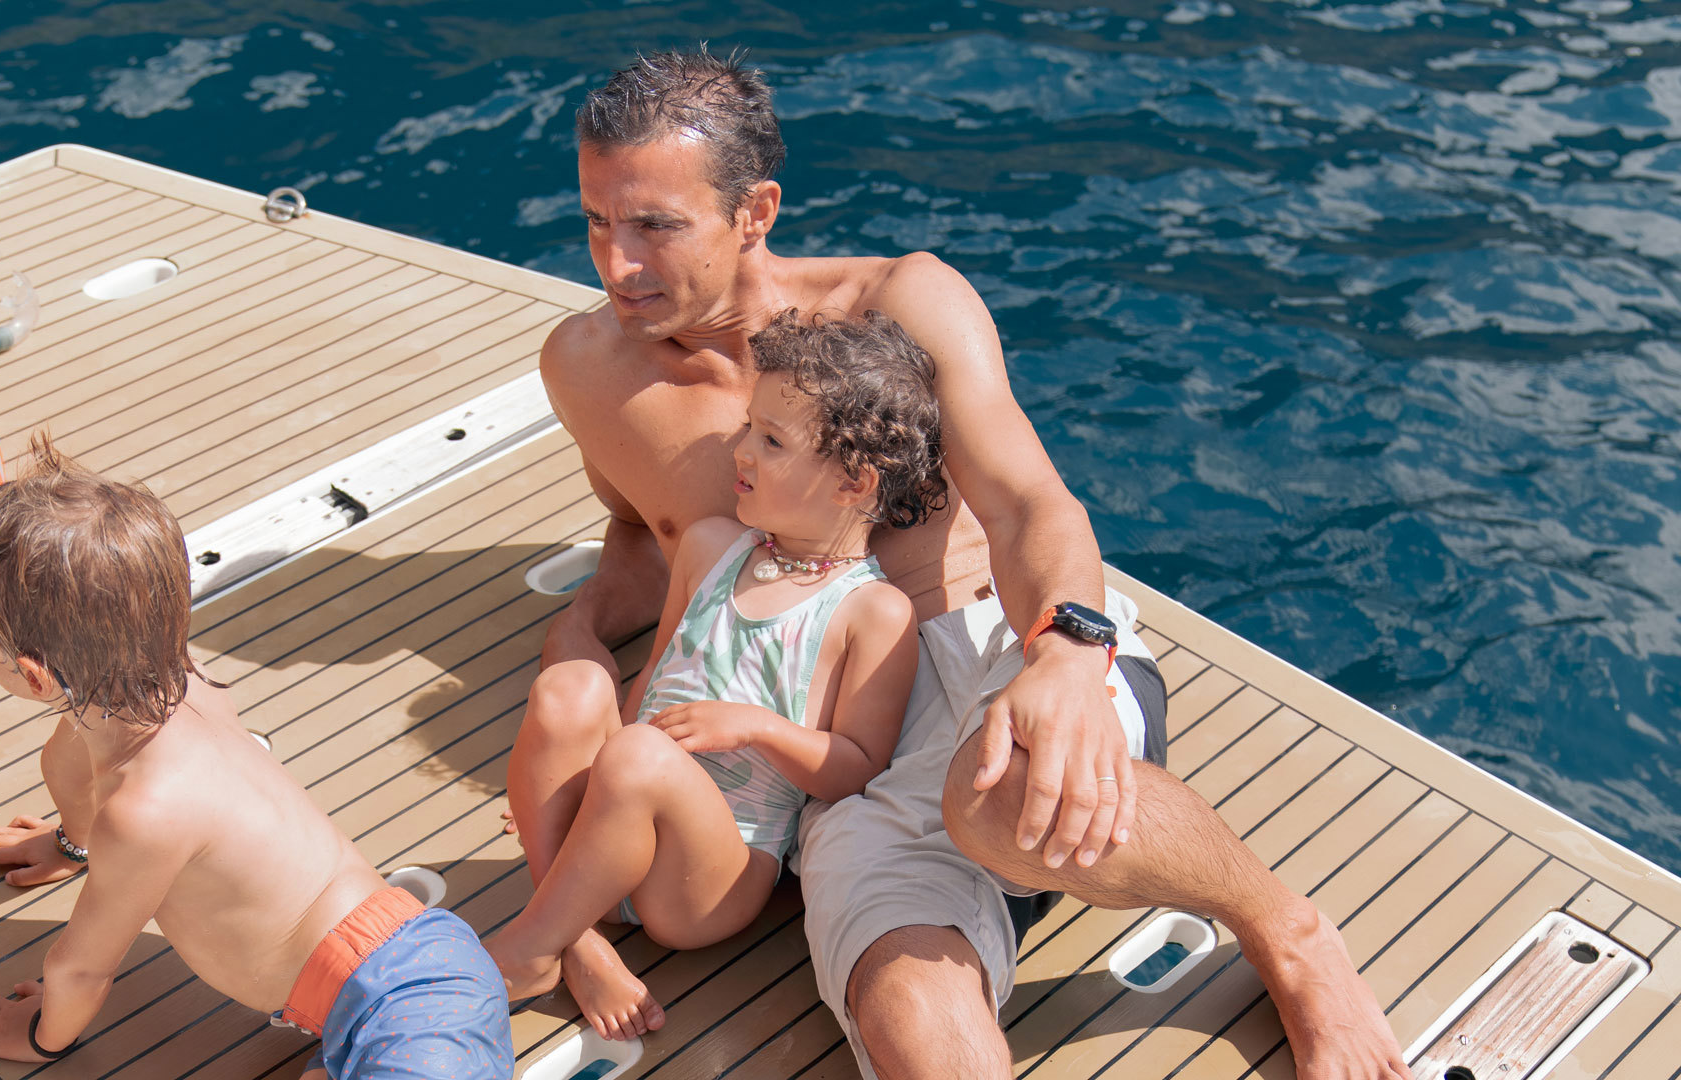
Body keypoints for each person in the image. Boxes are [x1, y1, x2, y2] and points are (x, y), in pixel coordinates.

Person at [531, 48, 1412, 1080]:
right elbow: (647, 534)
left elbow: (1030, 501)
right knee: (912, 1025)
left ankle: (1284, 929)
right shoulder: (586, 367)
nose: (617, 264)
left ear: (755, 211)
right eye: (596, 221)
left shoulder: (899, 302)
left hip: (990, 644)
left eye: (655, 226)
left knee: (999, 794)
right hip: (839, 772)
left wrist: (1067, 655)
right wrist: (582, 639)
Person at [0, 436, 512, 1080]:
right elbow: (67, 767)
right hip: (409, 971)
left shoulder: (143, 810)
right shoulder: (177, 682)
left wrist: (41, 1038)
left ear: (34, 675)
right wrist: (73, 845)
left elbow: (79, 970)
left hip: (408, 1009)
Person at [492, 312, 931, 1039]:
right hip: (618, 824)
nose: (740, 448)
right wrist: (573, 783)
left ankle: (533, 946)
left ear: (853, 483)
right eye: (748, 425)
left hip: (709, 878)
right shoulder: (711, 547)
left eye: (771, 440)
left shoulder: (871, 612)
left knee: (638, 753)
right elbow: (653, 680)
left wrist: (757, 727)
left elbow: (856, 770)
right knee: (571, 687)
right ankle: (578, 941)